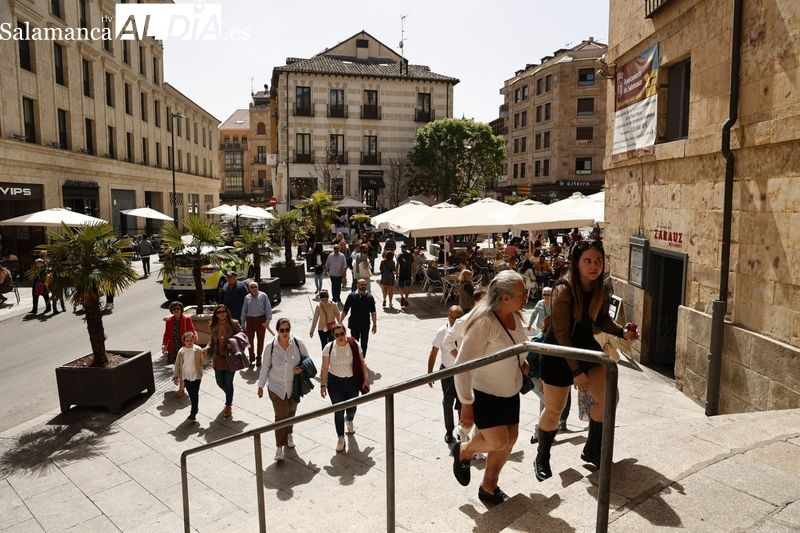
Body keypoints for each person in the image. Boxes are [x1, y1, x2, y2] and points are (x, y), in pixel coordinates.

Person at [534, 240, 639, 481]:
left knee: (609, 397)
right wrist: (576, 371)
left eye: (598, 261)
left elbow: (601, 320)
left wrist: (622, 332)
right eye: (588, 261)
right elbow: (561, 334)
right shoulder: (564, 289)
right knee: (554, 409)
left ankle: (592, 449)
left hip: (585, 348)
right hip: (558, 353)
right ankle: (542, 456)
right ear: (577, 263)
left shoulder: (600, 289)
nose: (594, 266)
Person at [449, 271, 529, 505]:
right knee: (497, 441)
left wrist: (522, 362)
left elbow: (518, 346)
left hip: (510, 392)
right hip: (485, 393)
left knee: (510, 439)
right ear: (504, 297)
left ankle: (489, 486)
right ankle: (463, 451)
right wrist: (466, 403)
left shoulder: (516, 316)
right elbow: (462, 365)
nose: (526, 296)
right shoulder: (484, 322)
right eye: (522, 293)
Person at [258, 318, 310, 461]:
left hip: (294, 386)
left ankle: (289, 434)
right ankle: (279, 448)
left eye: (287, 329)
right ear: (277, 331)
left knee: (291, 412)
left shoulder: (297, 343)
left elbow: (307, 359)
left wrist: (302, 369)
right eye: (282, 330)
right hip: (276, 387)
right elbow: (265, 367)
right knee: (281, 417)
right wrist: (260, 386)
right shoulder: (271, 347)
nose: (285, 332)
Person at [320, 323, 369, 452]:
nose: (340, 337)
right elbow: (325, 367)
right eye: (337, 335)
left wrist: (366, 379)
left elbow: (362, 362)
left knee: (352, 408)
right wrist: (323, 385)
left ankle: (349, 419)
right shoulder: (328, 348)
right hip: (335, 383)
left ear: (345, 333)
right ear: (333, 336)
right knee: (338, 410)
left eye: (342, 334)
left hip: (352, 382)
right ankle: (340, 438)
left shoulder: (354, 344)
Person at [427, 305, 464, 444]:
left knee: (462, 401)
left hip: (462, 371)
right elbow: (433, 352)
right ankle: (449, 430)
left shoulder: (465, 331)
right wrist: (430, 374)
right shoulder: (441, 332)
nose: (454, 320)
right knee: (447, 402)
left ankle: (462, 430)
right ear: (448, 316)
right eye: (452, 317)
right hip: (447, 371)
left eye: (458, 318)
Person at [207, 304, 242, 418]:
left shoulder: (234, 324)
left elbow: (242, 338)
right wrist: (207, 348)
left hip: (230, 358)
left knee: (228, 382)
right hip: (218, 358)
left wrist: (232, 343)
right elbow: (212, 341)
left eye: (224, 311)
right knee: (219, 382)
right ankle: (229, 395)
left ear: (227, 312)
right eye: (219, 312)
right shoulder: (213, 326)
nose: (222, 313)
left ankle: (228, 405)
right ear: (216, 315)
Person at [161, 301, 198, 399]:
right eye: (174, 309)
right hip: (174, 347)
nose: (176, 310)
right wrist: (164, 345)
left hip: (184, 348)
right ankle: (184, 383)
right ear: (171, 311)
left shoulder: (187, 319)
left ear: (181, 309)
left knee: (182, 368)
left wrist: (191, 344)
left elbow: (192, 332)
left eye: (178, 308)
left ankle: (181, 388)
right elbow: (167, 334)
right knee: (178, 367)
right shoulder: (169, 320)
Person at [173, 331, 208, 421]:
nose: (189, 342)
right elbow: (177, 364)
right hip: (185, 377)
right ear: (184, 341)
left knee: (194, 394)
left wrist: (204, 354)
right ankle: (195, 408)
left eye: (191, 340)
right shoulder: (181, 351)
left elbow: (204, 362)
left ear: (194, 340)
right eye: (187, 340)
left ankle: (193, 412)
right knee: (191, 394)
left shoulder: (198, 350)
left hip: (196, 376)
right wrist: (176, 376)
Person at [241, 281, 274, 367]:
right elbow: (244, 311)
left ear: (258, 287)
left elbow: (268, 308)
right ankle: (251, 357)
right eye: (251, 287)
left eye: (255, 287)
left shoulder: (263, 296)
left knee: (260, 340)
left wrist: (267, 321)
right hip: (250, 321)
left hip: (261, 320)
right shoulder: (246, 298)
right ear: (249, 289)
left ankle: (259, 357)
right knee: (249, 341)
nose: (254, 289)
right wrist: (243, 323)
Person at [341, 279, 377, 357]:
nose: (363, 286)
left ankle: (362, 359)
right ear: (357, 285)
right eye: (361, 284)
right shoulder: (351, 296)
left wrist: (374, 324)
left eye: (365, 284)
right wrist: (340, 321)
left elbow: (373, 312)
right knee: (354, 343)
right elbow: (345, 310)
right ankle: (355, 358)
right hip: (354, 324)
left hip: (365, 324)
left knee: (364, 343)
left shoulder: (370, 297)